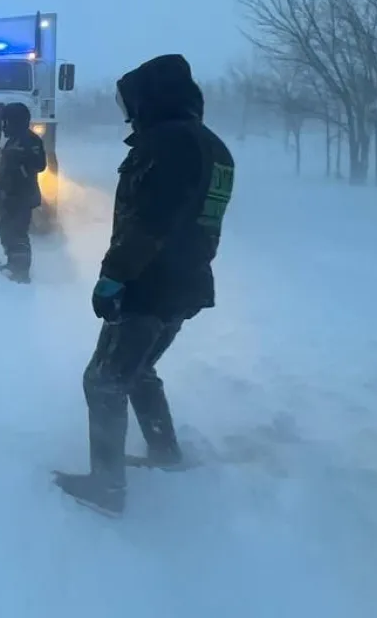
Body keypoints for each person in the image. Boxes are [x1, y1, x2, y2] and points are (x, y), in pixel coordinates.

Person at [54, 53, 235, 516]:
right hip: (188, 282)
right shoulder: (212, 146)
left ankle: (107, 487)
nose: (128, 111)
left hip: (149, 283)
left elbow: (150, 222)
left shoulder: (168, 145)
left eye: (131, 101)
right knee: (139, 370)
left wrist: (114, 277)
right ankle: (164, 451)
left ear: (150, 97)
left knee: (103, 381)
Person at [0, 102, 47, 283]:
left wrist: (24, 156)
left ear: (15, 121)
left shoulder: (30, 140)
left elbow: (40, 165)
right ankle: (12, 264)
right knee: (7, 231)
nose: (4, 126)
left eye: (6, 122)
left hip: (22, 195)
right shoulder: (12, 141)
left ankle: (21, 271)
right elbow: (4, 171)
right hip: (9, 195)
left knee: (18, 232)